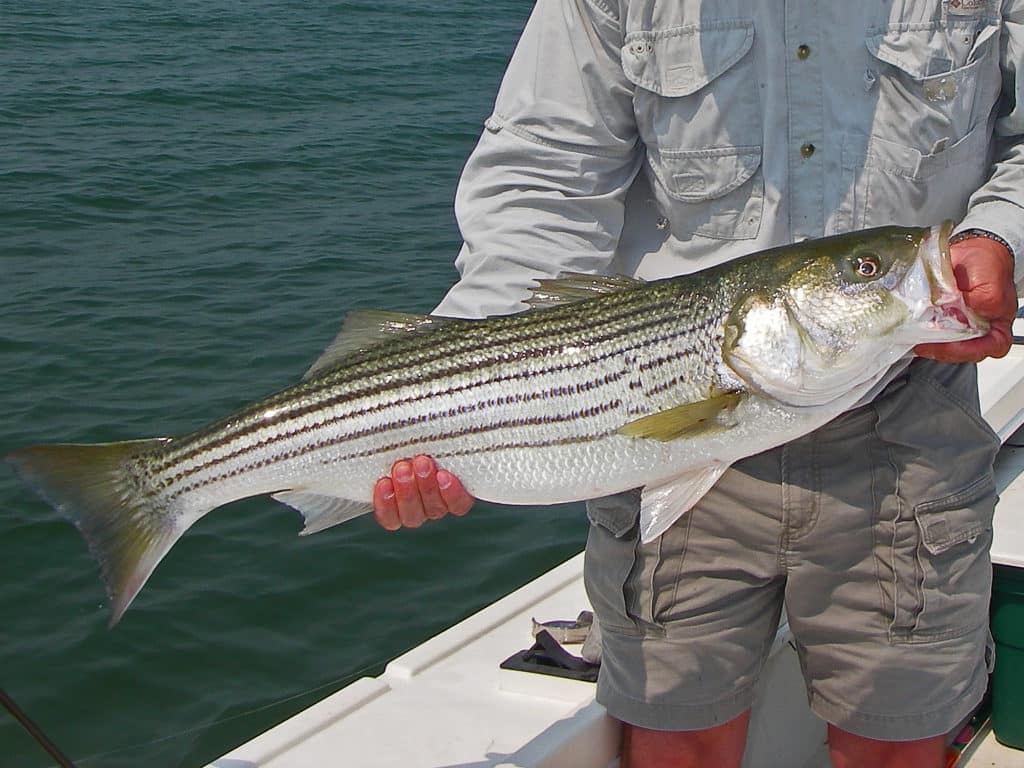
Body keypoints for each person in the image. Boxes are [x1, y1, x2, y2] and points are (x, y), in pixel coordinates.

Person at [371, 2, 1021, 766]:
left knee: (895, 745)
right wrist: (456, 390)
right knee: (678, 741)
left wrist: (998, 234)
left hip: (905, 417)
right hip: (665, 409)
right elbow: (546, 176)